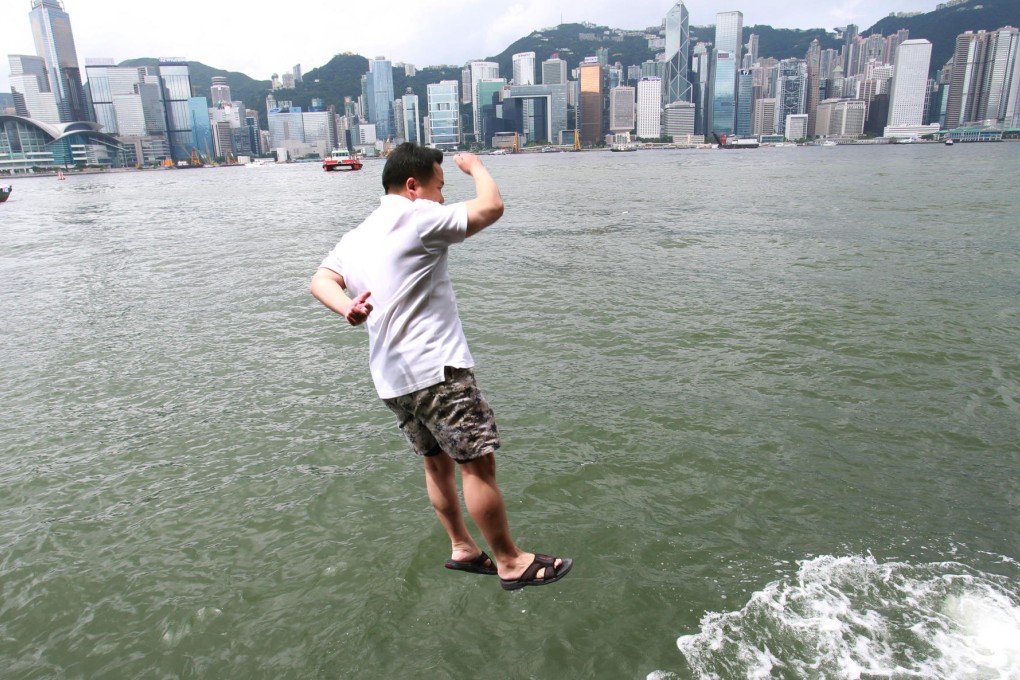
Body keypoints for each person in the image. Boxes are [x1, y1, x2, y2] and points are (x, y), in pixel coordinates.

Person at [310, 143, 572, 591]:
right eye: (438, 187)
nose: (440, 198)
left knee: (436, 465)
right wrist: (476, 167)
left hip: (392, 382)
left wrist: (347, 307)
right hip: (437, 372)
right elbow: (492, 206)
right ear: (413, 186)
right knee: (476, 465)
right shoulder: (416, 216)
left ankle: (463, 547)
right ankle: (510, 561)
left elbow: (320, 280)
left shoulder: (356, 236)